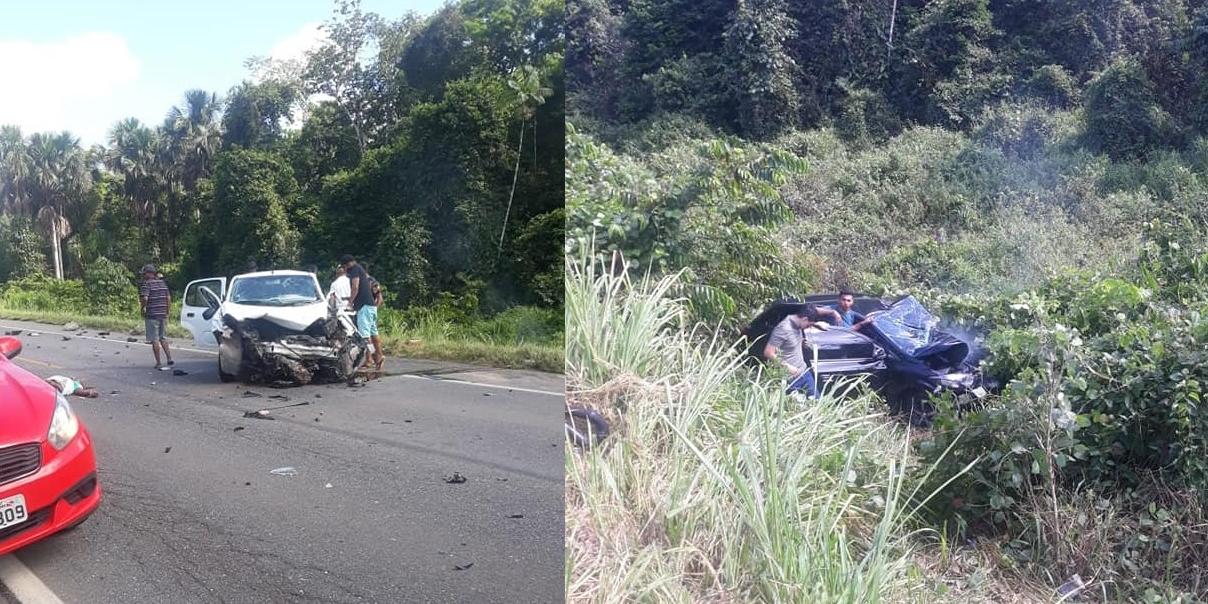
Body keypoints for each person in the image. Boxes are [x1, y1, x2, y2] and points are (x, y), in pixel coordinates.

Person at [763, 304, 827, 399]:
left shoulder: (798, 325)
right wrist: (789, 367)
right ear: (805, 319)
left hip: (804, 372)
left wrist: (802, 343)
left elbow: (789, 343)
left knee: (816, 402)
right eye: (808, 325)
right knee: (798, 407)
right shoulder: (783, 329)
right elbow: (768, 352)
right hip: (790, 377)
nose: (807, 328)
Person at [340, 254, 384, 372]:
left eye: (344, 267)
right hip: (371, 307)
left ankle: (373, 359)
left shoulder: (354, 270)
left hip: (364, 307)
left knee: (365, 337)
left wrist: (350, 302)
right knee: (374, 334)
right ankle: (379, 356)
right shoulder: (360, 269)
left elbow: (355, 287)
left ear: (347, 264)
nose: (344, 270)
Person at [139, 264, 174, 371]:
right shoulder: (162, 283)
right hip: (163, 314)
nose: (143, 275)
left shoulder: (147, 284)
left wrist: (143, 308)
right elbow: (168, 298)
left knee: (154, 339)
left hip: (152, 315)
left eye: (144, 273)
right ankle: (169, 358)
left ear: (149, 273)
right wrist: (167, 312)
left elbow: (145, 298)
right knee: (163, 337)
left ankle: (158, 363)